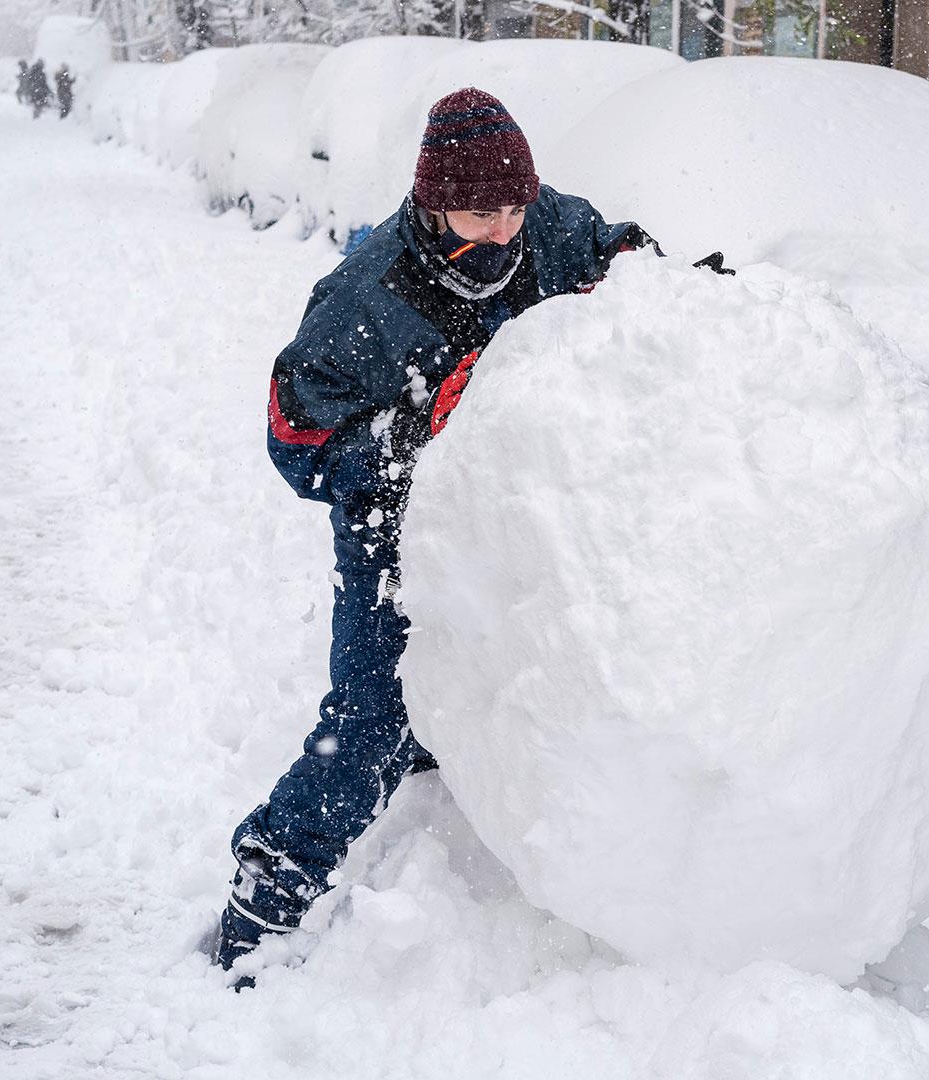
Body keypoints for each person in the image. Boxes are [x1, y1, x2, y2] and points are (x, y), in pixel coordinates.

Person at [213, 88, 656, 984]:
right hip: (391, 530)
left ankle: (448, 739)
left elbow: (617, 261)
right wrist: (401, 451)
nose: (502, 231)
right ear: (430, 202)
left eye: (513, 207)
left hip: (519, 507)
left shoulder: (547, 229)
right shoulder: (364, 300)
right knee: (370, 723)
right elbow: (294, 441)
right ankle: (269, 888)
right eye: (480, 211)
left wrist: (664, 286)